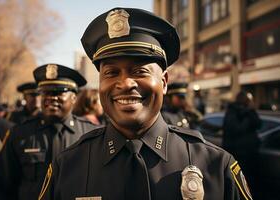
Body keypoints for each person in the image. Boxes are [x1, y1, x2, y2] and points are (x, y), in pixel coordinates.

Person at [39, 8, 252, 200]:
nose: (125, 83)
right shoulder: (67, 166)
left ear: (164, 82)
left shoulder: (216, 165)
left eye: (139, 71)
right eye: (112, 73)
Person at [0, 64, 99, 200]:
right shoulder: (20, 134)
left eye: (59, 92)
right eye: (46, 92)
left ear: (74, 98)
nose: (51, 98)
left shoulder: (91, 134)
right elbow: (2, 186)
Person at [223, 91, 262, 198]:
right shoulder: (232, 111)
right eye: (249, 100)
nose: (251, 102)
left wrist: (251, 111)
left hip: (250, 152)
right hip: (240, 153)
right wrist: (246, 117)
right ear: (243, 100)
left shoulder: (249, 111)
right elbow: (237, 129)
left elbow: (258, 124)